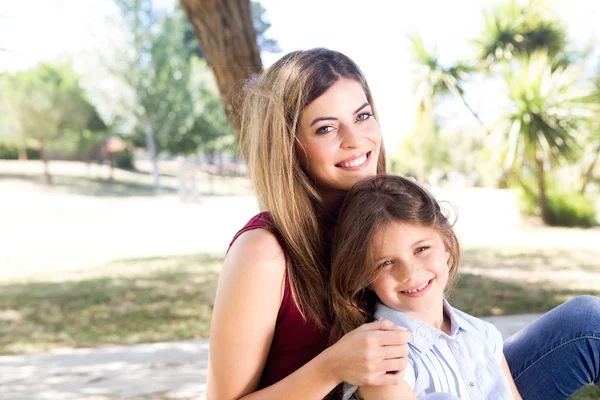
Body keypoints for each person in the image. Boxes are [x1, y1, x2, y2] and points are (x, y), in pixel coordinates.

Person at [207, 47, 600, 400]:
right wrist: (331, 368)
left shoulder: (377, 217)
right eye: (325, 128)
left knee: (586, 324)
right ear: (289, 145)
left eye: (363, 116)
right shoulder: (264, 251)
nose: (356, 139)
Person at [329, 174, 522, 399]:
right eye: (386, 263)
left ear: (446, 245)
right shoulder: (379, 358)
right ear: (365, 277)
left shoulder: (483, 335)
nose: (409, 273)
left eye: (421, 249)